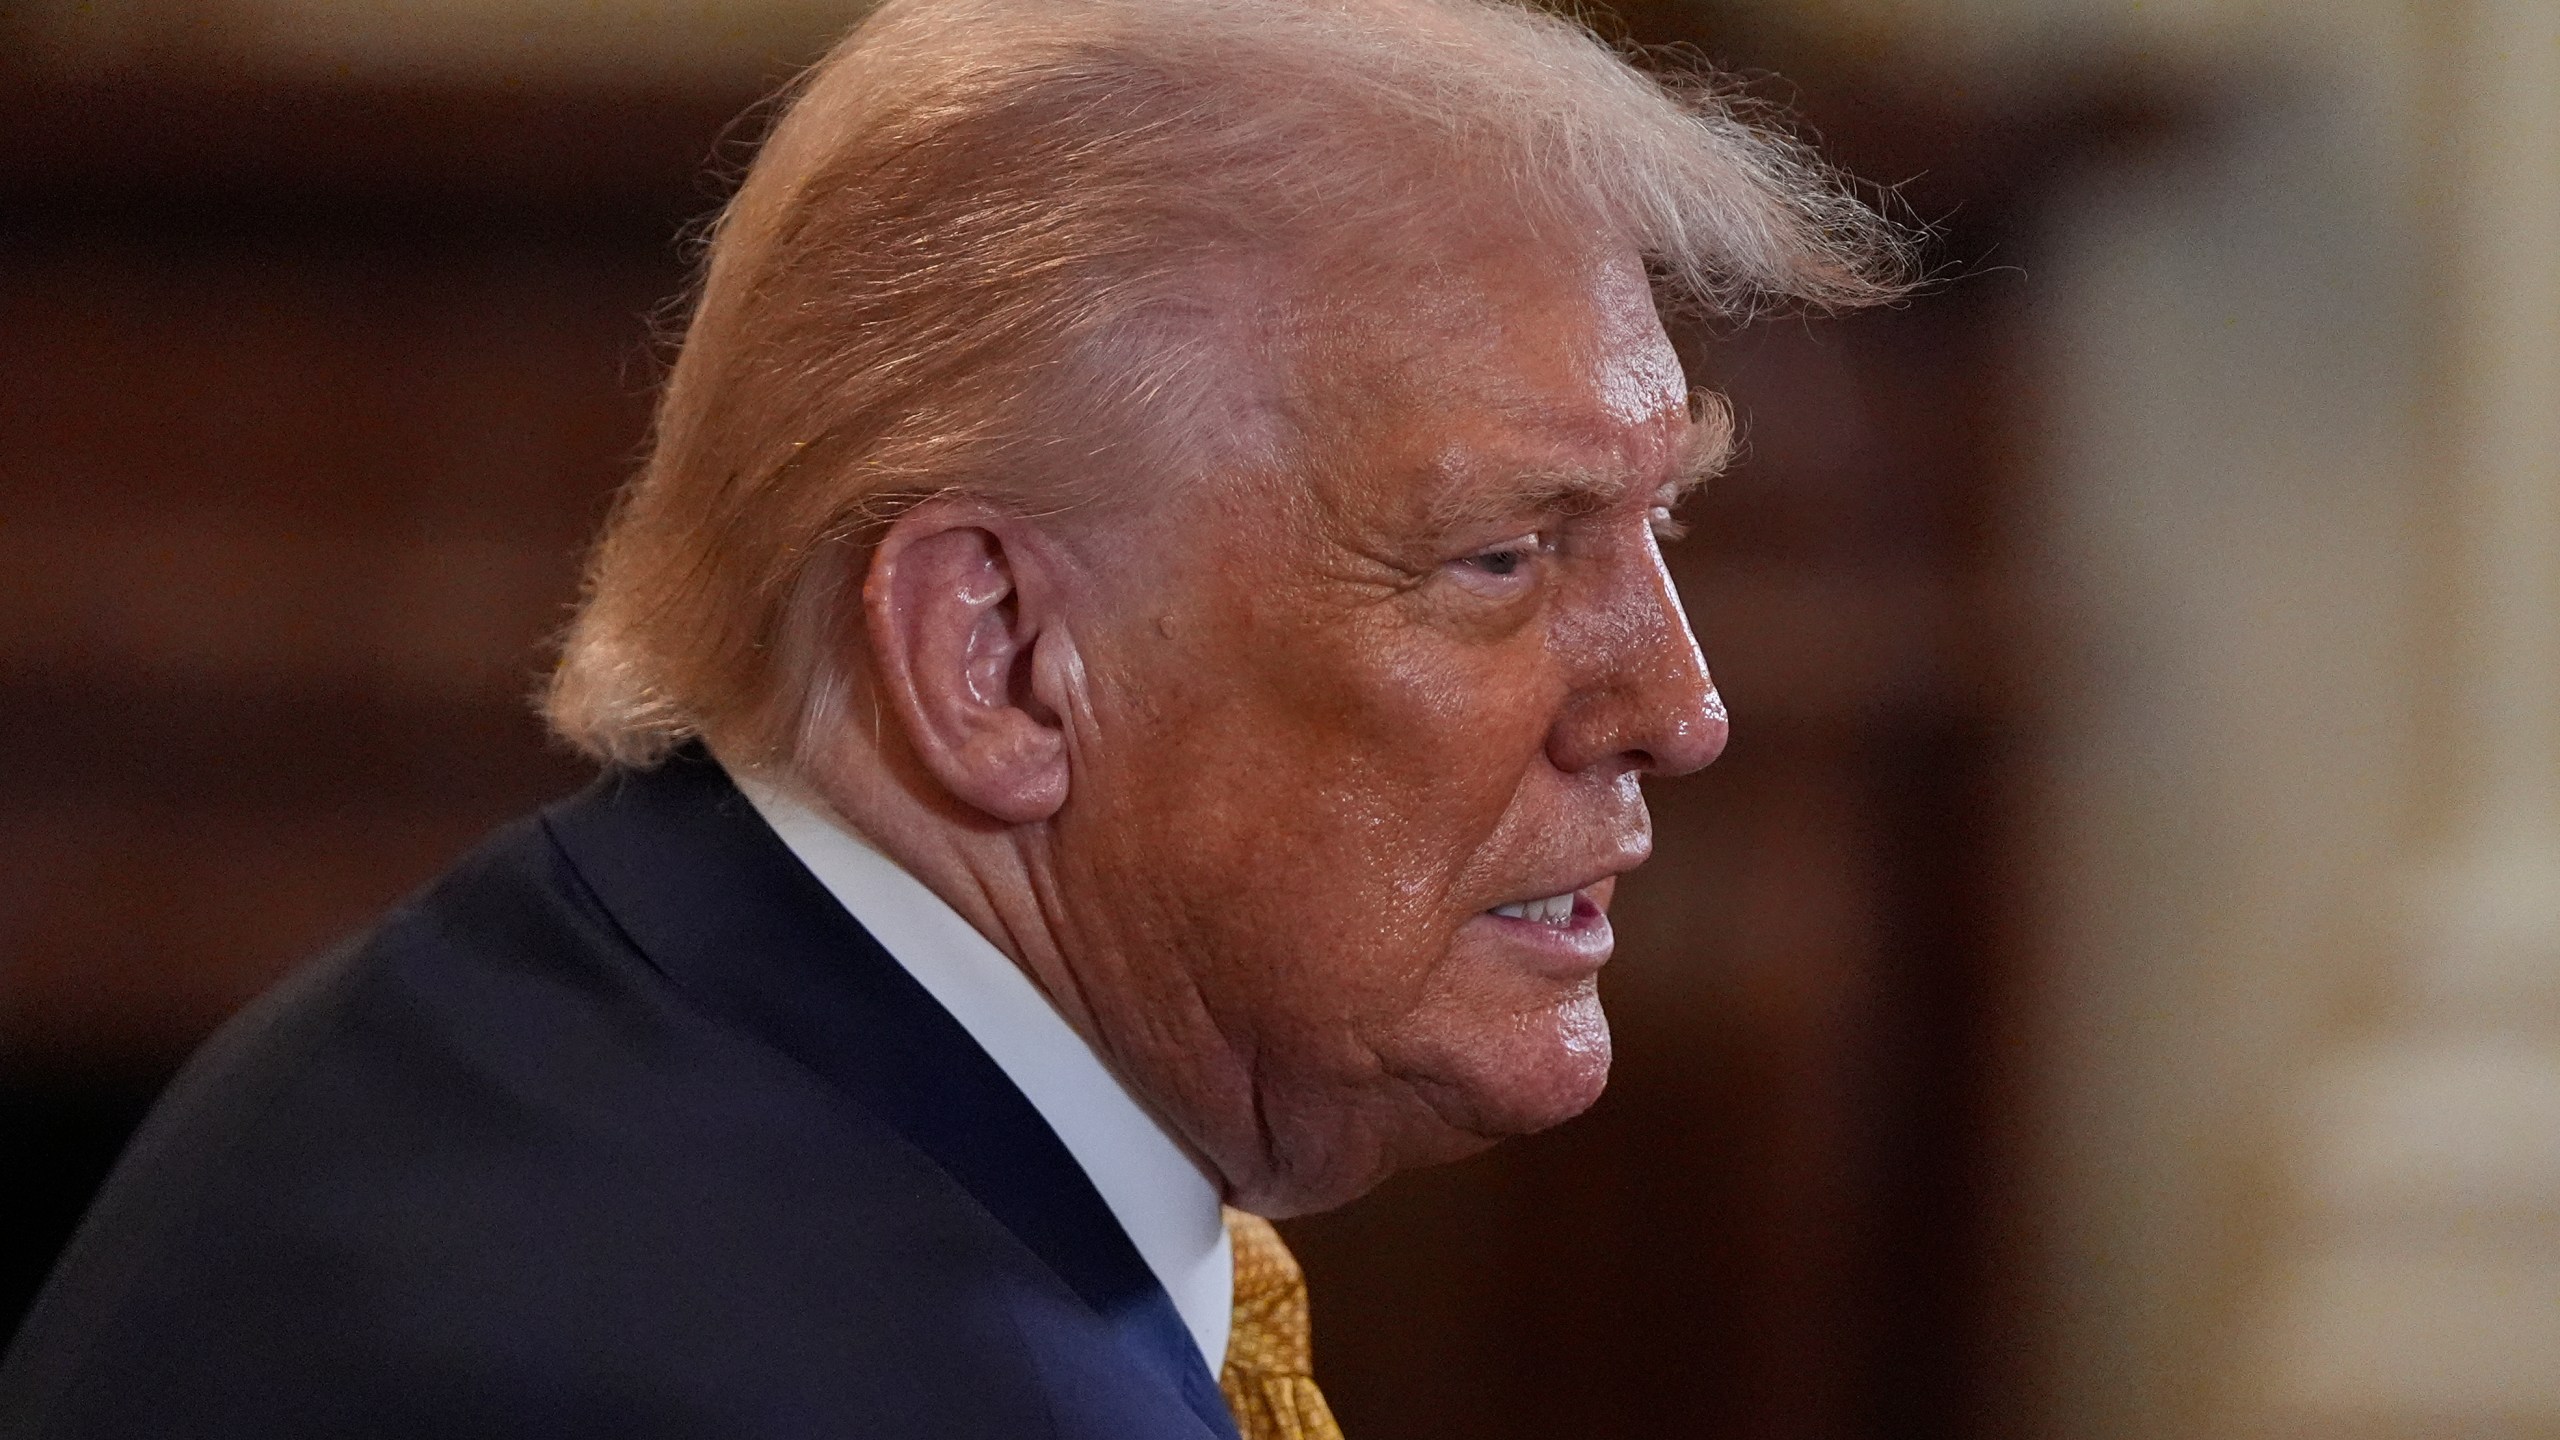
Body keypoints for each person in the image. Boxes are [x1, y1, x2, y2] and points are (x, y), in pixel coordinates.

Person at [0, 0, 1906, 1434]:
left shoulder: (547, 1007)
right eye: (1505, 554)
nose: (1681, 707)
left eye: (1661, 527)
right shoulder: (827, 1383)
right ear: (991, 656)